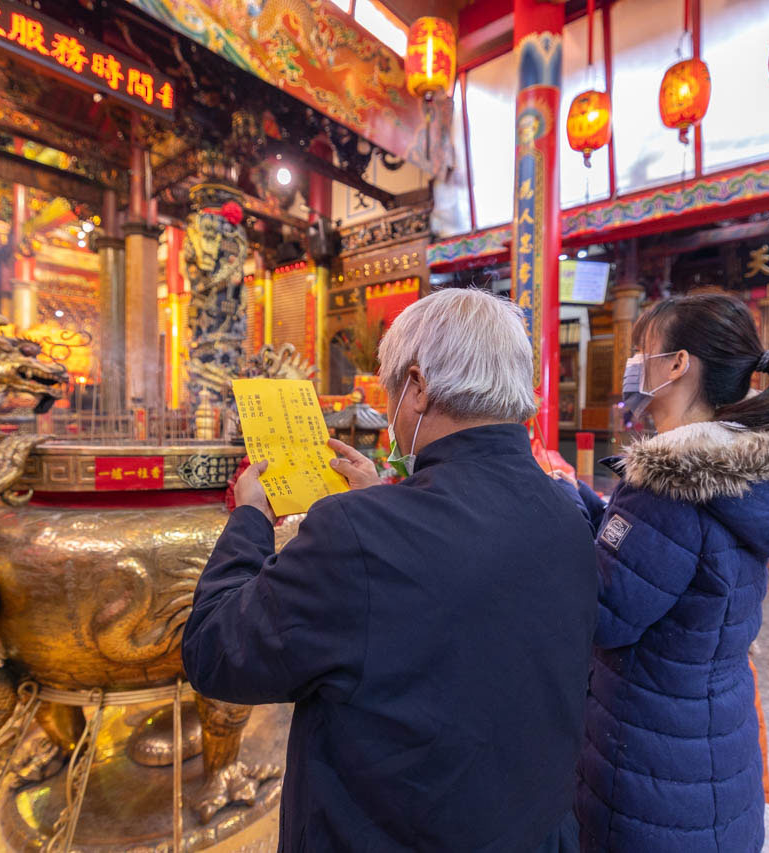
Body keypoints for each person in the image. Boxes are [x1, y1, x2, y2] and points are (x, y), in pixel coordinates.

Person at [182, 287, 598, 852]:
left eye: (391, 392)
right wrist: (384, 497)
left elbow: (216, 651)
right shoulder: (567, 511)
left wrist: (250, 516)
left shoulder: (356, 532)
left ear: (419, 387)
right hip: (529, 828)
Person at [574, 292, 769, 852]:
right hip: (711, 738)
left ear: (678, 364)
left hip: (649, 759)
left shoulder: (668, 482)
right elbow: (668, 566)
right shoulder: (746, 468)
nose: (635, 366)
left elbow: (602, 616)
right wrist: (593, 511)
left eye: (643, 351)